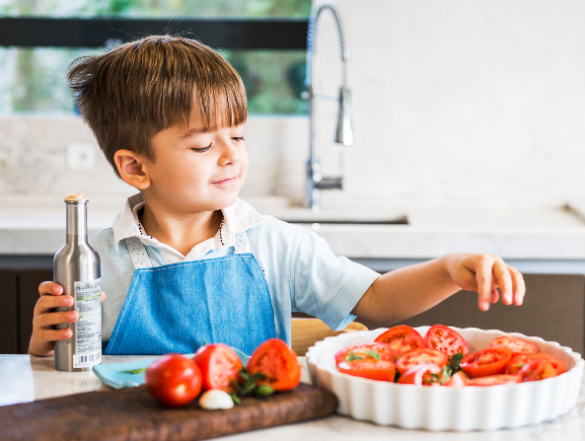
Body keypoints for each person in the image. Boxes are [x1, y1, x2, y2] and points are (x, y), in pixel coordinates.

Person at [29, 35, 525, 357]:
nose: (231, 156)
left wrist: (448, 269)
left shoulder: (277, 245)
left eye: (238, 137)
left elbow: (377, 300)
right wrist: (42, 346)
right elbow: (64, 368)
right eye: (203, 144)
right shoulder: (94, 264)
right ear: (136, 167)